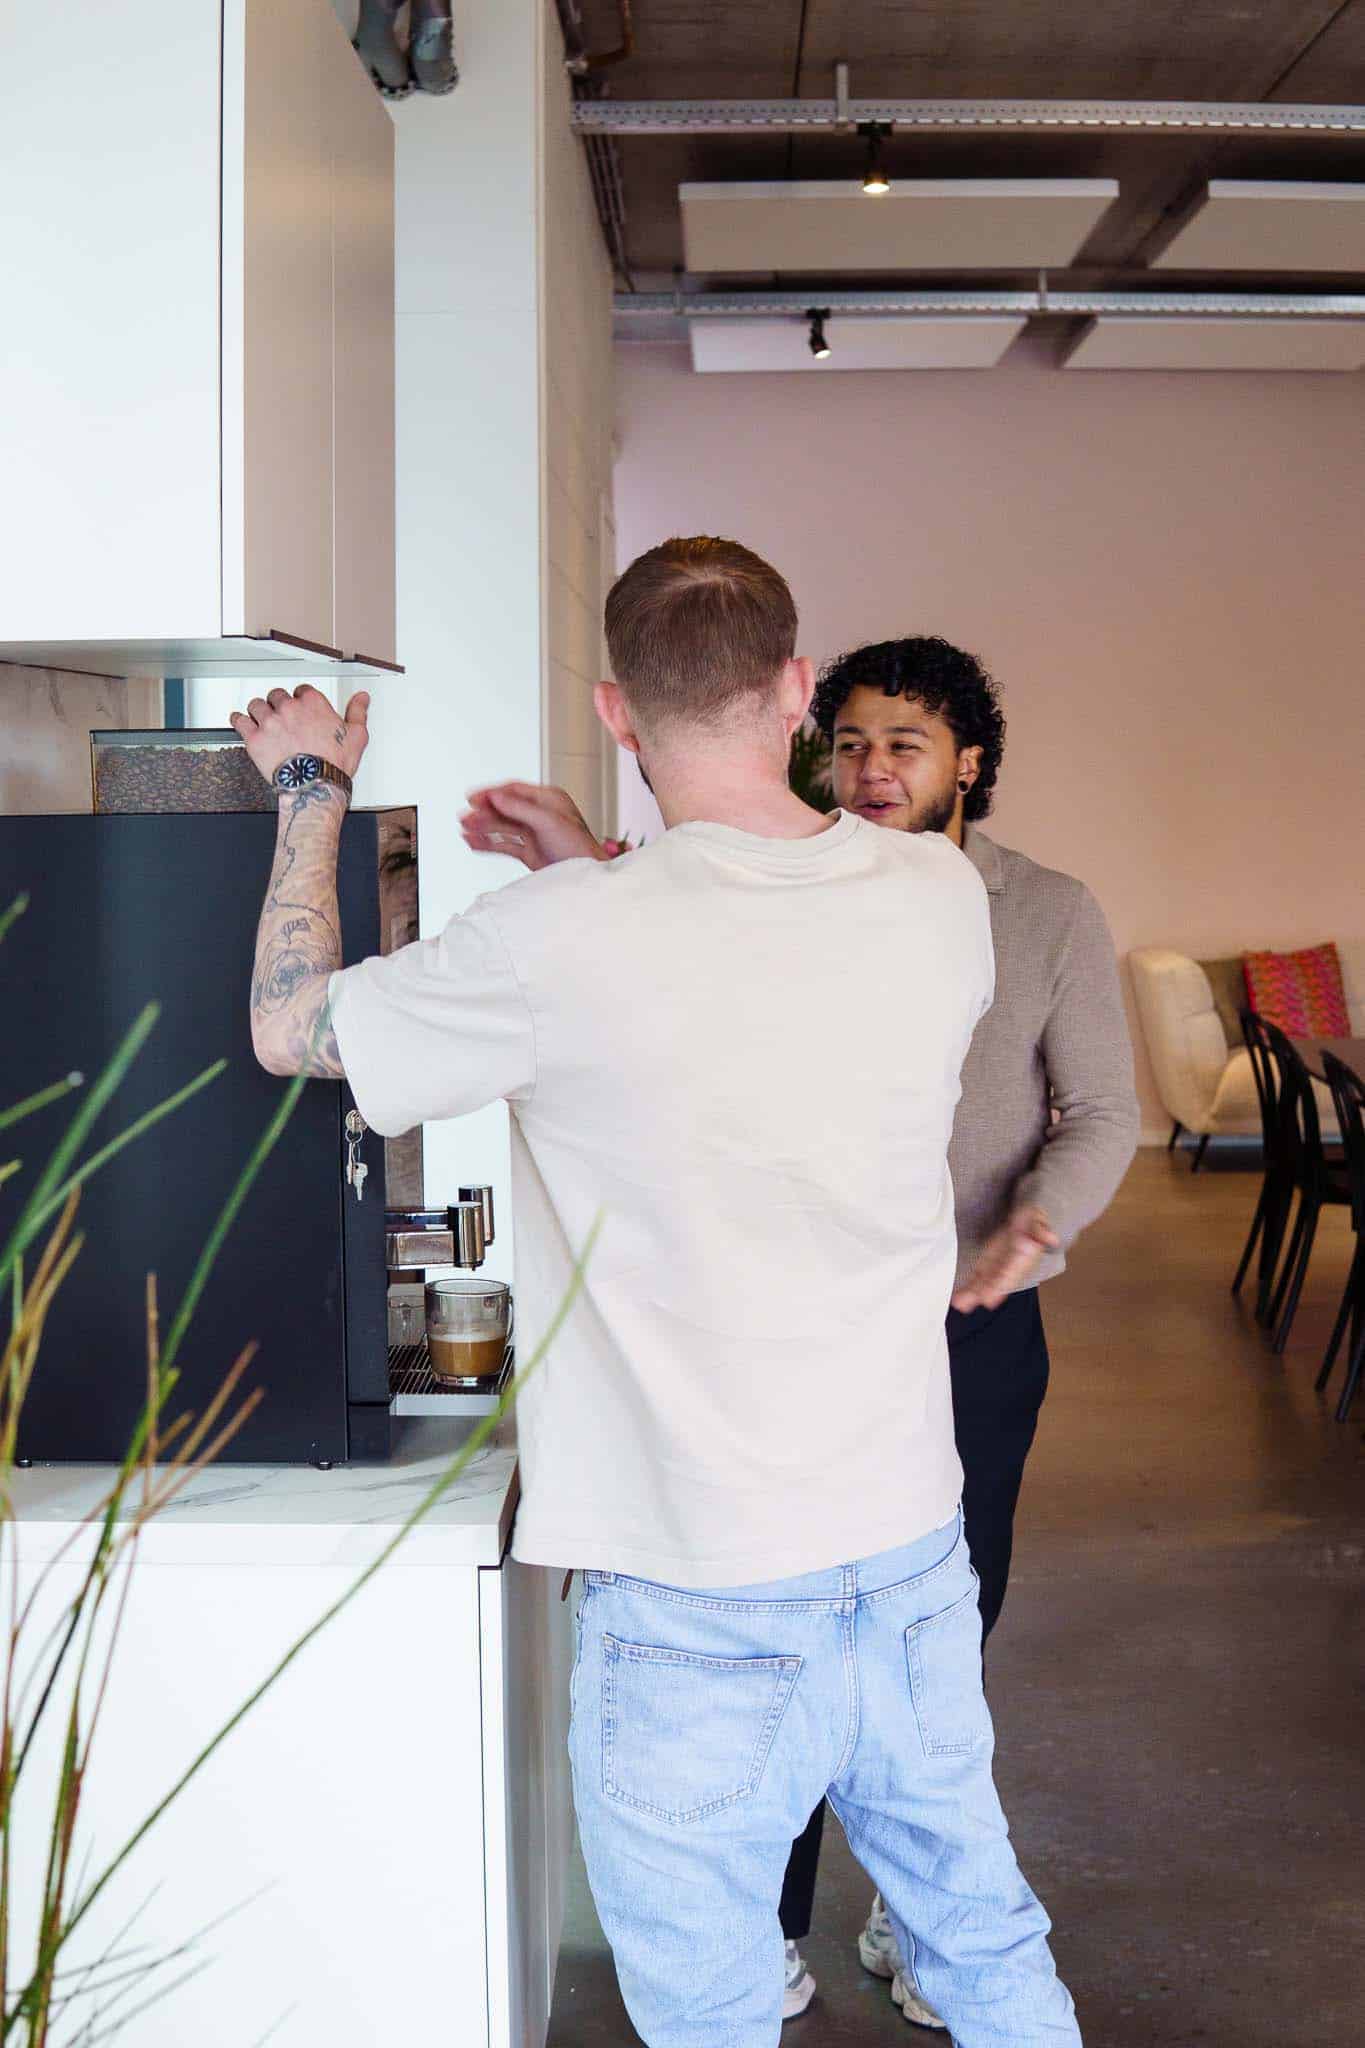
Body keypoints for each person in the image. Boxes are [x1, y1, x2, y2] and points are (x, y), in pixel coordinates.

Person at [233, 541, 1083, 2048]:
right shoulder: (934, 892)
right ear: (801, 694)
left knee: (706, 2008)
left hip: (691, 1590)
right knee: (984, 1944)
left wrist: (310, 792)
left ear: (618, 714)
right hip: (900, 1555)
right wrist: (578, 872)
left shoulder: (560, 945)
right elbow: (739, 969)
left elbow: (293, 1029)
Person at [471, 633, 1139, 2031]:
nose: (872, 768)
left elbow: (1097, 1112)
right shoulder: (821, 888)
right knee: (780, 1632)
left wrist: (1035, 1228)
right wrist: (589, 863)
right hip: (791, 1326)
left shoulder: (1023, 908)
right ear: (801, 741)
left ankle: (910, 1910)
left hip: (965, 1321)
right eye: (847, 742)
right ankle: (766, 1924)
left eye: (907, 743)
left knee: (925, 1633)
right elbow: (687, 964)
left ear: (972, 764)